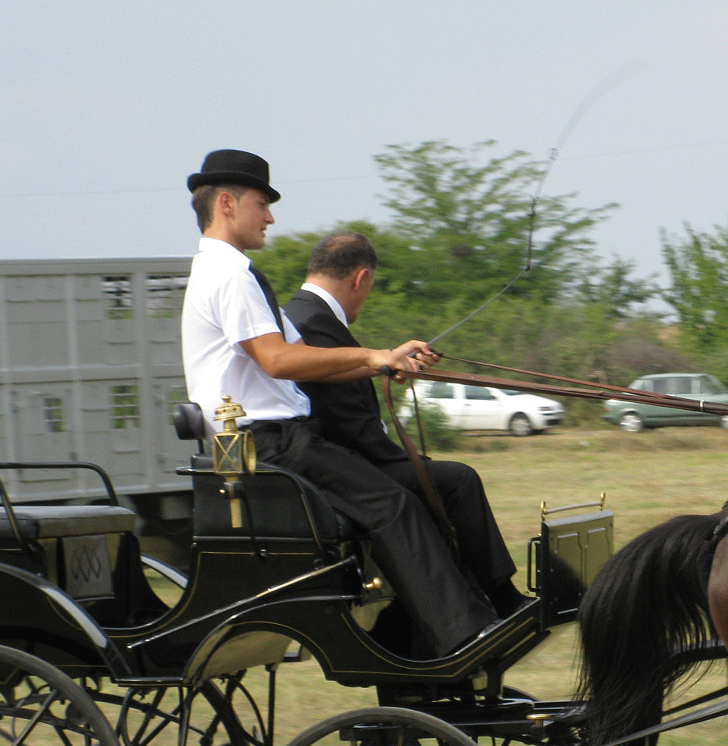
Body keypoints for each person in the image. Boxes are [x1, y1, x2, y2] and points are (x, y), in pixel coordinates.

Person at [179, 148, 498, 657]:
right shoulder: (229, 275)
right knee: (394, 506)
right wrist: (373, 354)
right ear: (226, 203)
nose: (270, 217)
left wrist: (384, 360)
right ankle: (464, 635)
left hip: (267, 440)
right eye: (263, 204)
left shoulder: (228, 272)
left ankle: (439, 629)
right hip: (266, 444)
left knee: (405, 497)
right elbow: (278, 361)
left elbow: (302, 356)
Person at [283, 233, 523, 615]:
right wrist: (401, 461)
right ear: (361, 278)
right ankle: (496, 599)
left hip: (333, 457)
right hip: (347, 465)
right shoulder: (314, 322)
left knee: (441, 477)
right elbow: (345, 420)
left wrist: (389, 359)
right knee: (457, 481)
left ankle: (478, 597)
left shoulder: (302, 314)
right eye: (369, 287)